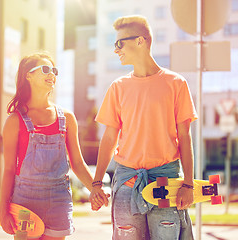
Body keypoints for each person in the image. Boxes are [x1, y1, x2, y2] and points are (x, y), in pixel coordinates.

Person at [89, 15, 198, 240]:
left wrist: (188, 183)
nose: (116, 50)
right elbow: (109, 139)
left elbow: (185, 138)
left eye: (119, 43)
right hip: (127, 183)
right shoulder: (118, 88)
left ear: (140, 41)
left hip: (166, 183)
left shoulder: (176, 84)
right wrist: (97, 183)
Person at [0, 52, 103, 240]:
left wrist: (95, 188)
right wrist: (3, 210)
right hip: (25, 201)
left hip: (58, 200)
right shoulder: (15, 121)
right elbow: (8, 170)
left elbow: (78, 164)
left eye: (54, 70)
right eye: (45, 69)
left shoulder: (67, 118)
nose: (52, 74)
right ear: (28, 75)